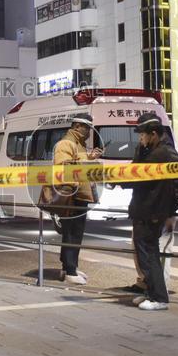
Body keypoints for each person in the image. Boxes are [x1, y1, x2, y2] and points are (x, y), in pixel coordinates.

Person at [127, 113, 178, 311]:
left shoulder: (165, 152)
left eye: (142, 134)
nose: (140, 138)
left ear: (153, 134)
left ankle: (159, 297)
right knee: (144, 255)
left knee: (150, 255)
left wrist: (171, 212)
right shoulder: (148, 150)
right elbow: (135, 172)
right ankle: (150, 293)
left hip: (154, 211)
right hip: (143, 209)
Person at [52, 113, 103, 284]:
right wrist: (74, 187)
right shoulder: (66, 143)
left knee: (74, 233)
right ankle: (70, 270)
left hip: (80, 194)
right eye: (87, 128)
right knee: (72, 233)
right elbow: (63, 167)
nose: (89, 131)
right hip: (73, 195)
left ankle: (69, 267)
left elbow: (77, 164)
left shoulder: (78, 144)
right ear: (77, 126)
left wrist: (90, 158)